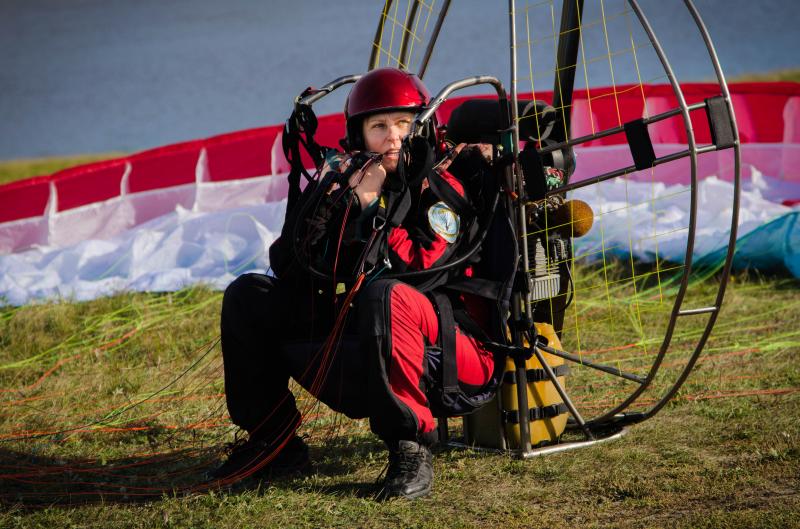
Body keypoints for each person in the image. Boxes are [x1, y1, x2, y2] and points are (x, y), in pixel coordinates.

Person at [210, 67, 501, 500]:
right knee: (249, 296)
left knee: (386, 295)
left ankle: (410, 447)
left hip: (456, 352)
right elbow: (288, 263)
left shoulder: (442, 185)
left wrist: (370, 213)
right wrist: (339, 202)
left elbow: (423, 268)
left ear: (420, 126)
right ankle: (275, 444)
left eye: (403, 123)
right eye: (379, 126)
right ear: (359, 134)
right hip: (369, 342)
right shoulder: (348, 182)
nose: (393, 137)